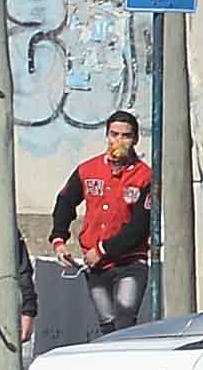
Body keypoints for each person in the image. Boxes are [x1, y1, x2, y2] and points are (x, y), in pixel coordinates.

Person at [51, 110, 159, 335]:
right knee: (107, 324)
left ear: (135, 140)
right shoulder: (88, 170)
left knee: (124, 317)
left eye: (125, 136)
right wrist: (59, 240)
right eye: (114, 134)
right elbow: (65, 201)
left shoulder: (145, 176)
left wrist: (102, 249)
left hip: (130, 261)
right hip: (96, 266)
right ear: (106, 136)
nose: (118, 141)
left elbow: (140, 226)